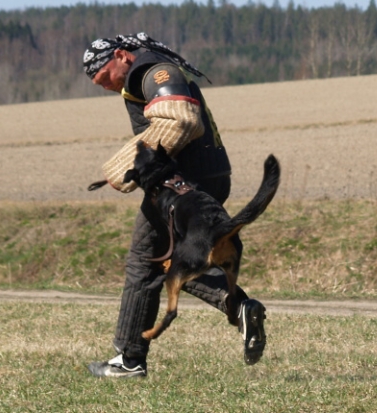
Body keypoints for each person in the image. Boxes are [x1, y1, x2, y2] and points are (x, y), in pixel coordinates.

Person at [83, 32, 267, 378]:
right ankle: (240, 307)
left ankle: (129, 360)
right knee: (170, 261)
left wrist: (126, 166)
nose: (105, 86)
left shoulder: (151, 71)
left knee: (144, 261)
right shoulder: (144, 71)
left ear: (121, 55)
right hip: (204, 178)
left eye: (105, 77)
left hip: (183, 185)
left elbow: (180, 119)